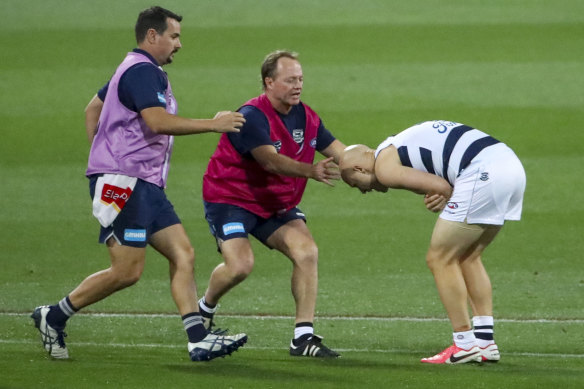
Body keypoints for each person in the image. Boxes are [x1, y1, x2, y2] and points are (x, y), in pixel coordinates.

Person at [31, 6, 248, 362]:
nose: (179, 44)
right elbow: (158, 121)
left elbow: (92, 110)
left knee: (183, 253)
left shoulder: (133, 69)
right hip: (125, 185)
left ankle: (197, 338)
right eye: (174, 36)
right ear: (153, 36)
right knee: (127, 271)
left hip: (143, 184)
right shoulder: (143, 72)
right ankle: (53, 316)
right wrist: (213, 123)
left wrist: (103, 156)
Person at [339, 120, 526, 364]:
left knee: (439, 258)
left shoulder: (384, 166)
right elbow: (439, 184)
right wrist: (441, 194)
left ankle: (465, 344)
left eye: (355, 184)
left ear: (359, 169)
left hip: (482, 172)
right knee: (468, 257)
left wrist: (442, 195)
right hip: (509, 166)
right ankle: (484, 343)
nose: (364, 191)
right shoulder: (395, 146)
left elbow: (441, 186)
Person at [198, 50, 345, 358]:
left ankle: (302, 338)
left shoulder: (307, 117)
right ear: (269, 82)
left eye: (301, 79)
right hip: (231, 198)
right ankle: (205, 307)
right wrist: (311, 171)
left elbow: (343, 154)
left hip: (274, 202)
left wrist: (379, 172)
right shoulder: (252, 116)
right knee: (240, 266)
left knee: (307, 251)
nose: (298, 85)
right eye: (290, 79)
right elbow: (270, 162)